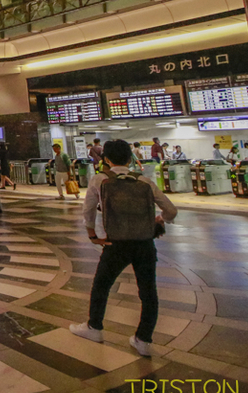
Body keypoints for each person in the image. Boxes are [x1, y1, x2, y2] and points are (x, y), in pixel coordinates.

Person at [70, 139, 178, 357]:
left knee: (101, 285)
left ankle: (95, 327)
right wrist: (161, 219)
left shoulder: (99, 180)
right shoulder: (145, 181)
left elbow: (88, 210)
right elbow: (171, 210)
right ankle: (143, 340)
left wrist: (92, 236)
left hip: (115, 244)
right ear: (130, 158)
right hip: (145, 244)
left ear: (106, 159)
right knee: (148, 292)